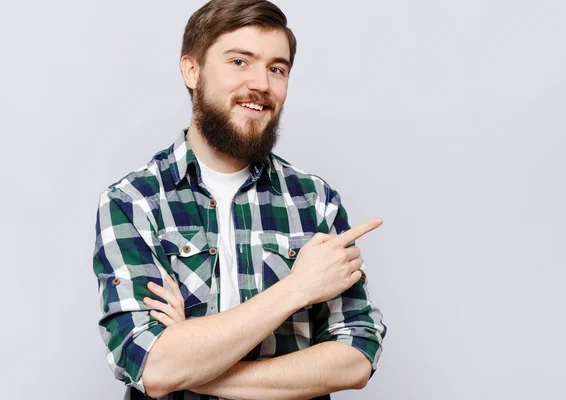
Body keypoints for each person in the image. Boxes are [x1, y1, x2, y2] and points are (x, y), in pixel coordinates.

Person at [92, 1, 387, 399]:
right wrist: (299, 288)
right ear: (192, 70)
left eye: (276, 69)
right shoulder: (134, 201)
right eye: (239, 62)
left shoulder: (316, 201)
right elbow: (152, 364)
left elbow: (355, 357)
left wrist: (192, 365)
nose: (261, 84)